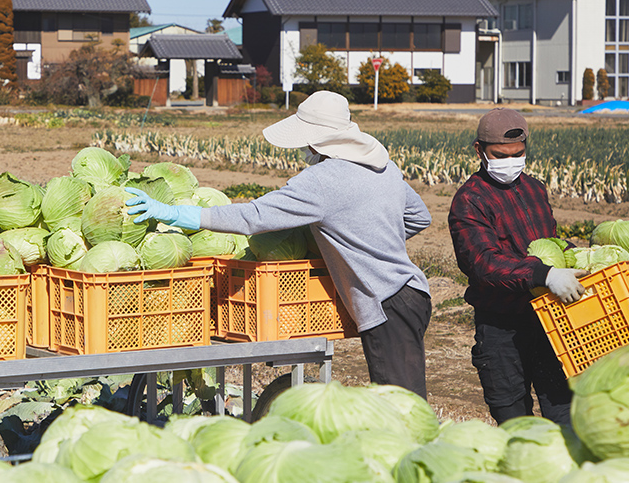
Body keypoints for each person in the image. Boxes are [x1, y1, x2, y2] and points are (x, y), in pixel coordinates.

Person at [125, 91, 433, 399]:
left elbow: (254, 217)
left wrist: (177, 214)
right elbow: (420, 217)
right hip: (413, 293)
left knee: (402, 408)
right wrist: (369, 242)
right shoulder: (384, 168)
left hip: (385, 303)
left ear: (316, 141)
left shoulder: (322, 181)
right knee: (406, 398)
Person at [448, 107, 585, 425]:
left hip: (549, 318)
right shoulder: (470, 200)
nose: (510, 161)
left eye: (518, 154)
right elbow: (482, 263)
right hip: (501, 326)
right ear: (479, 150)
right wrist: (544, 274)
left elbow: (548, 242)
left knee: (565, 411)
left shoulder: (535, 189)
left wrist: (578, 256)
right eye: (500, 154)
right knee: (514, 418)